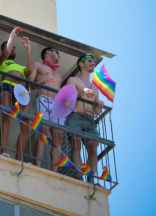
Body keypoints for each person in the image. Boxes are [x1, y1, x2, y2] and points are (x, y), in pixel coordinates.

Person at [0, 27, 33, 160]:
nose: (14, 49)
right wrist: (12, 36)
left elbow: (30, 70)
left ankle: (19, 157)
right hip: (6, 87)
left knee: (26, 123)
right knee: (6, 117)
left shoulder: (21, 67)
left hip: (21, 92)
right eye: (12, 47)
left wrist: (28, 48)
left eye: (15, 48)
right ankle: (3, 151)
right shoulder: (0, 63)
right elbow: (5, 51)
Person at [66, 54, 105, 183]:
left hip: (90, 120)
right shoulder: (73, 80)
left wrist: (99, 105)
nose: (93, 63)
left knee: (93, 147)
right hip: (75, 116)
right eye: (89, 61)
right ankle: (77, 173)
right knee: (76, 143)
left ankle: (91, 179)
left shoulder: (95, 89)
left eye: (93, 61)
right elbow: (67, 98)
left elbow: (96, 112)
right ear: (81, 64)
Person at [28, 47, 63, 170]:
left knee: (58, 136)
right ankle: (37, 165)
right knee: (43, 131)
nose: (59, 56)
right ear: (48, 52)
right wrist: (42, 82)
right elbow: (29, 85)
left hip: (58, 106)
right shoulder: (37, 65)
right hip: (43, 100)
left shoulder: (59, 74)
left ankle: (55, 171)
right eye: (57, 52)